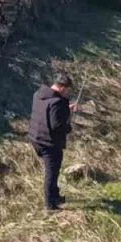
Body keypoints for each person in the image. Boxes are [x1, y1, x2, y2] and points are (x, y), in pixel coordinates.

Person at [28, 73, 75, 211]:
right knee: (52, 173)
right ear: (62, 88)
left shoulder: (38, 94)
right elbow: (57, 126)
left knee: (54, 169)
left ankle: (55, 196)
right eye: (67, 90)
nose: (67, 93)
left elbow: (47, 112)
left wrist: (66, 110)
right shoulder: (58, 102)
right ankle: (50, 206)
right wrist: (68, 127)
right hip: (48, 143)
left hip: (36, 138)